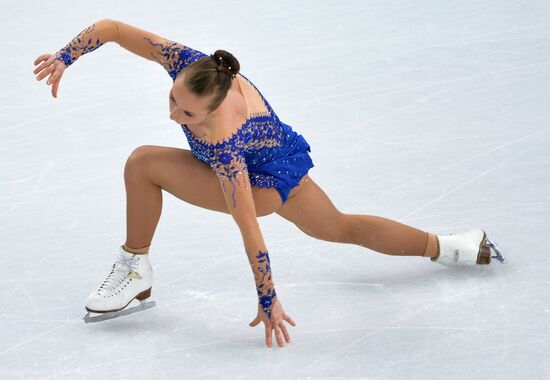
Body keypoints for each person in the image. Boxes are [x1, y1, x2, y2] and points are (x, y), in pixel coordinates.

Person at [33, 19, 504, 348]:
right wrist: (65, 56)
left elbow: (249, 232)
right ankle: (455, 246)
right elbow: (113, 29)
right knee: (340, 227)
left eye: (186, 113)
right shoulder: (191, 65)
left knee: (142, 164)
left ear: (214, 111)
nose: (172, 115)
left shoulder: (223, 143)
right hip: (280, 165)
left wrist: (268, 297)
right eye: (174, 99)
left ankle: (135, 267)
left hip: (262, 185)